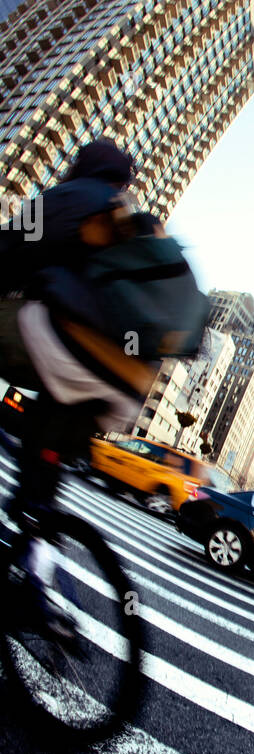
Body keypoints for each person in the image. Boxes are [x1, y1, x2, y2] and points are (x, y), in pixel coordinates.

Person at [0, 140, 160, 513]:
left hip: (68, 348)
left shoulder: (68, 197)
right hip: (126, 377)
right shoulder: (132, 224)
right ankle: (39, 536)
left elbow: (9, 247)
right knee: (44, 447)